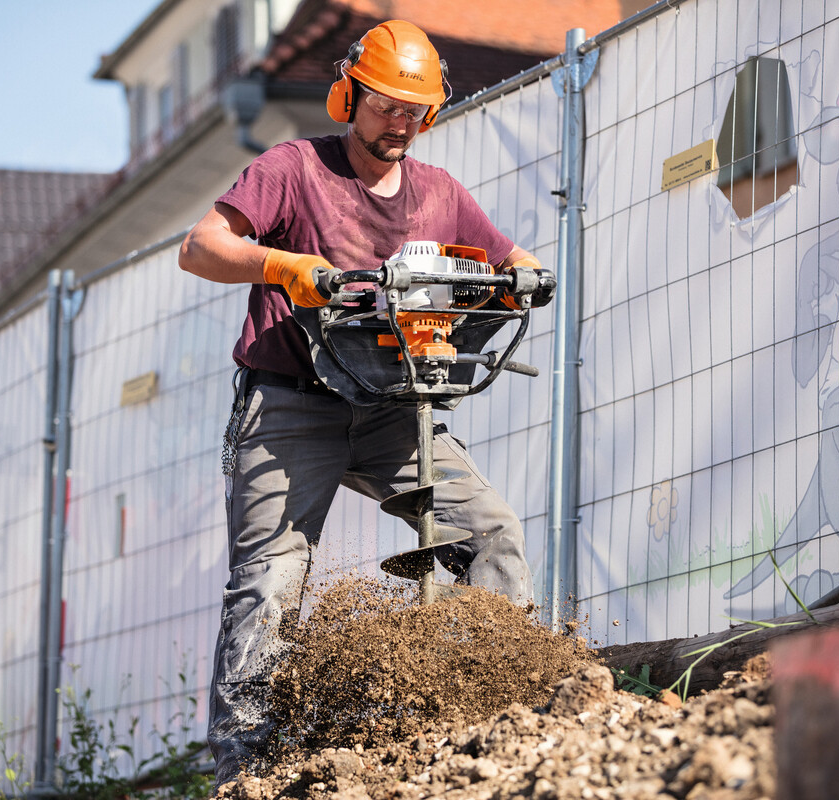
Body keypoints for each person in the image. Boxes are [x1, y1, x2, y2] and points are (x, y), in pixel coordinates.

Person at [178, 19, 546, 787]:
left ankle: (495, 721)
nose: (401, 125)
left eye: (415, 110)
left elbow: (513, 259)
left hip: (391, 405)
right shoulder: (292, 169)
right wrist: (282, 266)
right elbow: (199, 246)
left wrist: (526, 274)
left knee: (492, 534)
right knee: (270, 581)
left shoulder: (440, 193)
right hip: (291, 405)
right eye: (385, 107)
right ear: (348, 95)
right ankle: (246, 774)